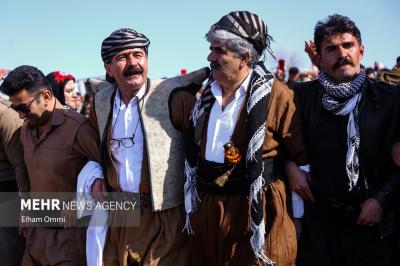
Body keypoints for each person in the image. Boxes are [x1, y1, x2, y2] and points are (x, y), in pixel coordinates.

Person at [169, 11, 306, 266]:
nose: (210, 57)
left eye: (218, 51)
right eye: (210, 49)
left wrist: (297, 218)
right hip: (208, 211)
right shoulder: (201, 97)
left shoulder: (277, 96)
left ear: (244, 57)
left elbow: (301, 157)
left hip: (258, 214)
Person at [89, 28, 207, 266]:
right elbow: (91, 149)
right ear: (108, 68)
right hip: (119, 218)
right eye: (122, 57)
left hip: (165, 220)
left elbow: (201, 150)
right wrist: (94, 176)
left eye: (138, 55)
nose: (133, 63)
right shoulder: (101, 104)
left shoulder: (175, 97)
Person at [290, 14, 400, 266]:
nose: (342, 54)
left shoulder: (391, 99)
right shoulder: (301, 98)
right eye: (331, 49)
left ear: (361, 50)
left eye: (348, 45)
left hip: (375, 227)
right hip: (321, 227)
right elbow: (283, 143)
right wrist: (291, 168)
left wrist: (380, 199)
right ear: (319, 57)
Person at [0, 65, 101, 266]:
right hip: (35, 239)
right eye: (15, 109)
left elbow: (111, 175)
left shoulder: (78, 128)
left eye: (24, 108)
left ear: (46, 96)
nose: (20, 116)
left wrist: (83, 203)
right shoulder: (27, 130)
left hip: (70, 244)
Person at [0, 95, 26, 266]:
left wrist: (27, 206)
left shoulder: (6, 113)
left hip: (7, 201)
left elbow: (21, 165)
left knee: (10, 256)